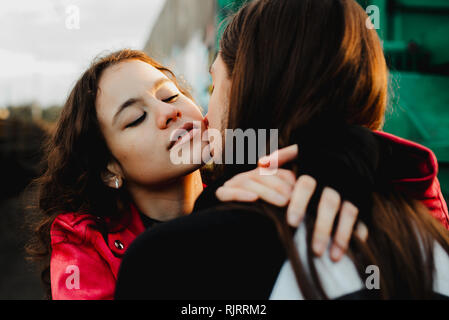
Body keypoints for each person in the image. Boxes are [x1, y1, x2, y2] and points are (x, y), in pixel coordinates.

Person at [114, 0, 449, 299]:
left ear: (248, 88)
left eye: (214, 84)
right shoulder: (426, 236)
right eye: (135, 118)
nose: (203, 115)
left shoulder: (172, 260)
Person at [26, 50, 359, 300]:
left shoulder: (247, 181)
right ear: (109, 167)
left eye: (170, 95)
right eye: (136, 118)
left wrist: (348, 156)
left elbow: (310, 139)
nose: (169, 113)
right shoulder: (84, 240)